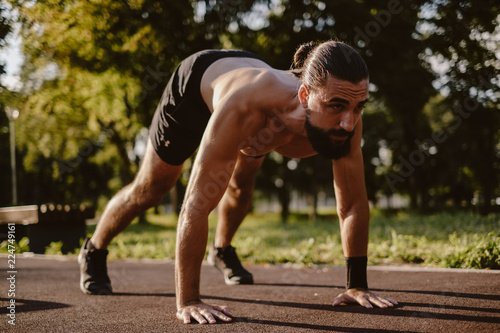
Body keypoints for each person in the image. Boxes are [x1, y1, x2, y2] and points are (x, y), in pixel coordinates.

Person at [78, 40, 398, 325]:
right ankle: (93, 250)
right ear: (305, 95)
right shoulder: (248, 108)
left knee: (242, 183)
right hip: (196, 84)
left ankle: (222, 250)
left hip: (248, 72)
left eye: (359, 107)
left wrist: (356, 284)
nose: (349, 121)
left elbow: (353, 202)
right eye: (337, 106)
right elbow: (196, 205)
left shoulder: (346, 116)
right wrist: (188, 301)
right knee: (153, 187)